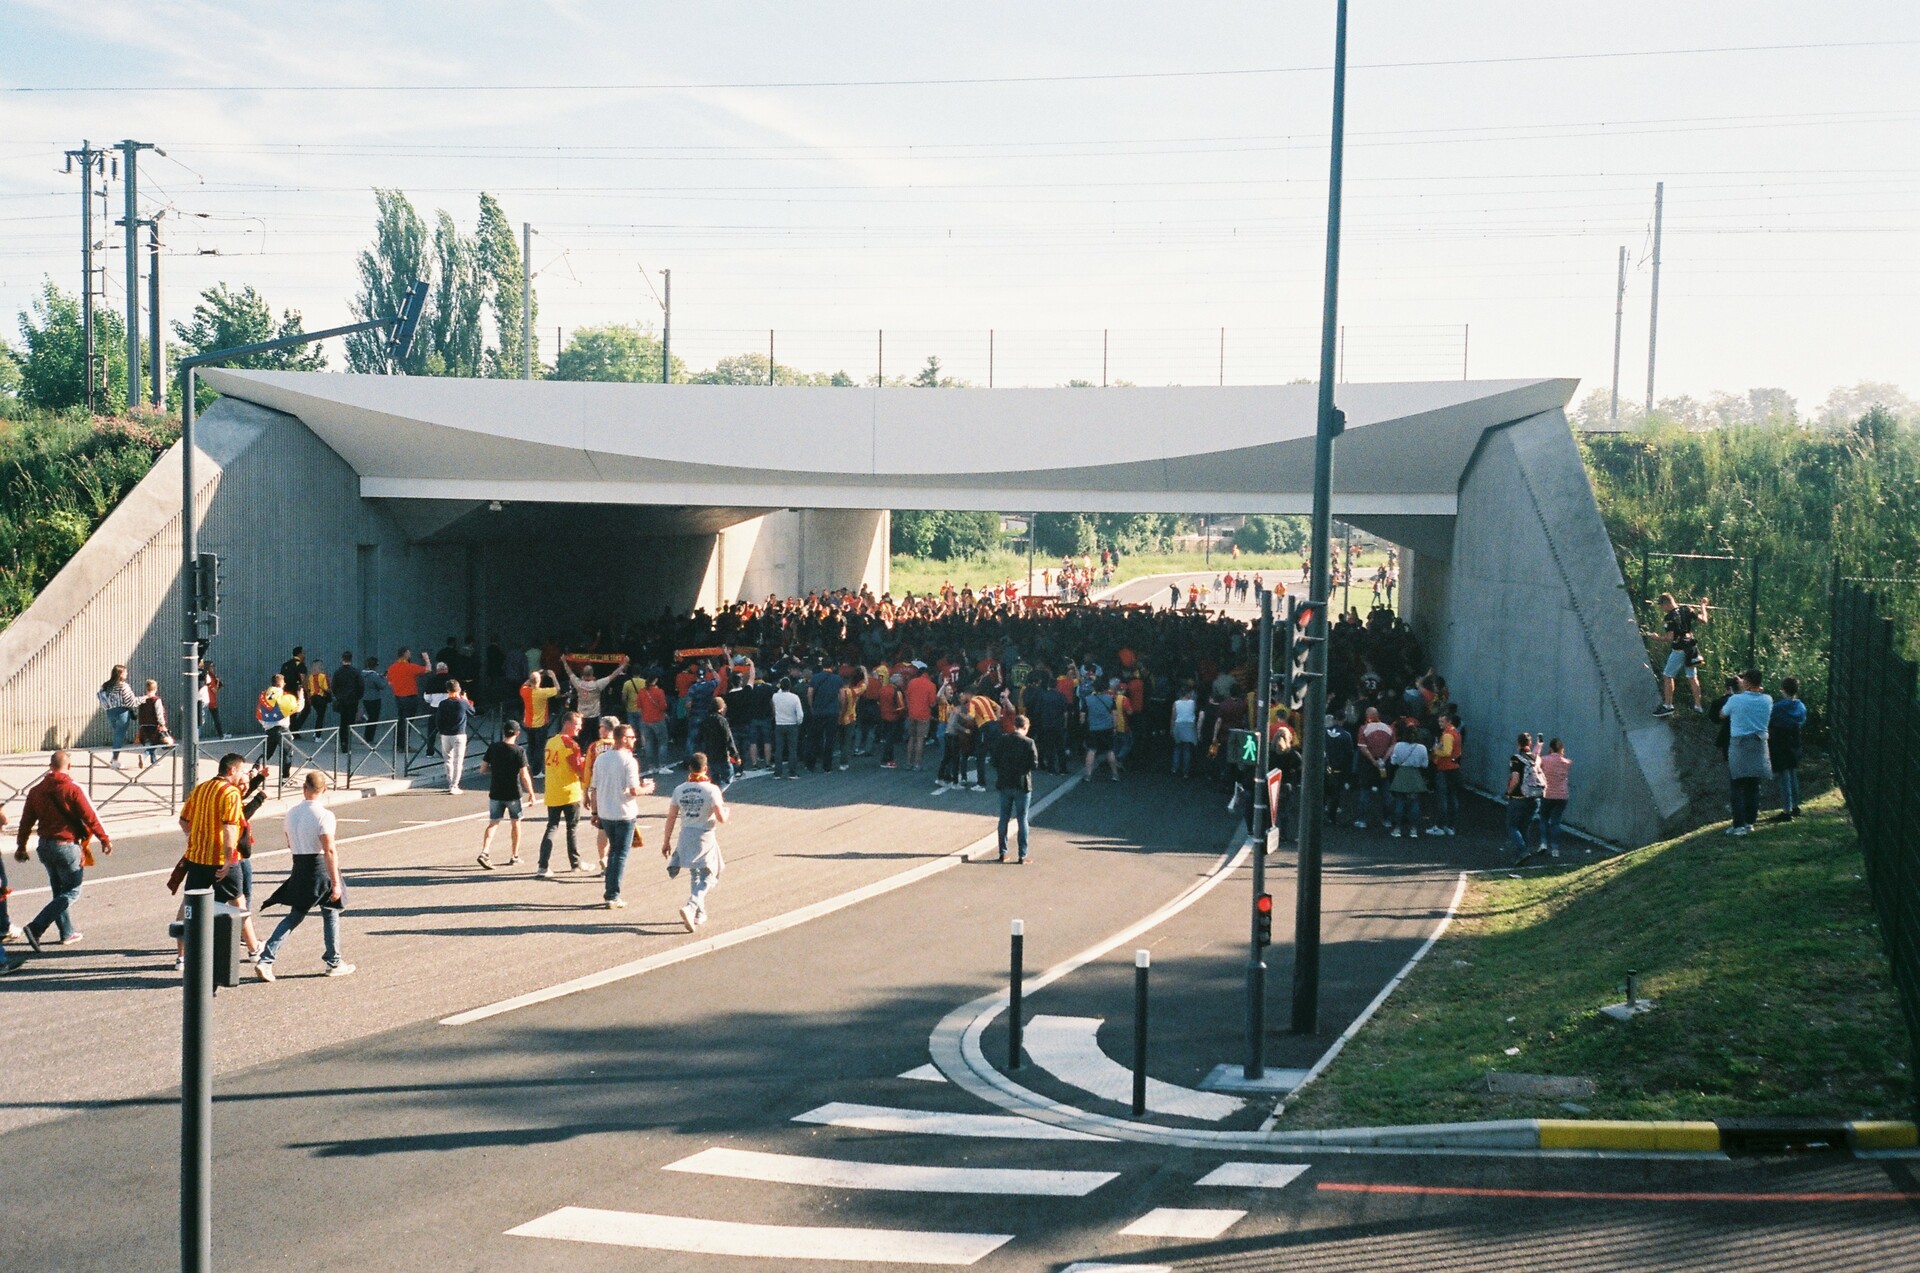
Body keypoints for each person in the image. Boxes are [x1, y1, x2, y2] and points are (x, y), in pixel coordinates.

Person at [255, 771, 352, 980]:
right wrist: (336, 882)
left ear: (304, 788)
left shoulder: (291, 813)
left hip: (299, 866)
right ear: (324, 790)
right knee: (331, 911)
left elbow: (290, 842)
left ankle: (266, 959)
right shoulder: (325, 816)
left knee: (295, 915)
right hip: (319, 867)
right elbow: (329, 850)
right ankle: (334, 962)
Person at [14, 751, 112, 952]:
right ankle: (36, 927)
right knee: (72, 891)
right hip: (66, 846)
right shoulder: (73, 789)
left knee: (59, 891)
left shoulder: (36, 791)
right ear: (69, 766)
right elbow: (91, 816)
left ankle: (67, 933)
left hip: (45, 847)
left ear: (50, 766)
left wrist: (21, 846)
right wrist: (104, 838)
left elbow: (25, 822)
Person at [662, 751, 729, 932]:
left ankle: (699, 913)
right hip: (705, 834)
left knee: (695, 874)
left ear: (690, 768)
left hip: (685, 834)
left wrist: (666, 841)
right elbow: (721, 817)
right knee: (713, 872)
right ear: (705, 768)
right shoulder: (711, 789)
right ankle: (692, 906)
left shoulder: (679, 789)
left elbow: (671, 817)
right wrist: (727, 812)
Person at [593, 724, 650, 909]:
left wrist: (595, 812)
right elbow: (633, 790)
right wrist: (647, 789)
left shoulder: (601, 759)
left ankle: (610, 890)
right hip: (624, 813)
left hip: (606, 812)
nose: (635, 739)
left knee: (614, 853)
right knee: (619, 854)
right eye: (632, 737)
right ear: (623, 738)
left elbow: (594, 788)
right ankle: (612, 894)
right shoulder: (628, 761)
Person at [1721, 669, 1773, 837]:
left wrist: (1733, 694)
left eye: (1743, 680)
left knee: (1737, 784)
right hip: (1759, 743)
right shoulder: (1768, 700)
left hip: (1739, 744)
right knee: (1753, 785)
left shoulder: (1736, 700)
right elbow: (1759, 695)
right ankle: (1750, 822)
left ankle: (1738, 824)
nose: (1741, 682)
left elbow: (1722, 714)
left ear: (1748, 682)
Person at [478, 719, 535, 869]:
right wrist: (531, 793)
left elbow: (482, 769)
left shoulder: (494, 747)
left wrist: (496, 769)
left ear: (504, 732)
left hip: (496, 791)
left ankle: (485, 851)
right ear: (517, 733)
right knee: (516, 823)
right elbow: (524, 775)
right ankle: (514, 855)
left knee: (493, 823)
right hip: (513, 793)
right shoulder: (519, 751)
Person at [537, 712, 589, 876]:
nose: (580, 728)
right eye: (577, 724)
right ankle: (575, 863)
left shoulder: (550, 742)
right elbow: (579, 770)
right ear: (567, 723)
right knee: (571, 829)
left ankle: (542, 865)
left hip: (553, 791)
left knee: (552, 827)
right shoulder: (570, 745)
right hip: (569, 792)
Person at [994, 714, 1040, 863]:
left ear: (1014, 726)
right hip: (1022, 784)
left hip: (1005, 782)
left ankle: (1003, 852)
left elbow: (994, 761)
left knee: (1004, 818)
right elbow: (1034, 764)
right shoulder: (1029, 742)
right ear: (1025, 728)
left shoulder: (1003, 740)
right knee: (1022, 819)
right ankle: (1022, 855)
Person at [1653, 592, 1708, 717]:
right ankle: (1698, 706)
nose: (1662, 610)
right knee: (1692, 677)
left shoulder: (1669, 617)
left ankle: (1668, 705)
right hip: (1691, 648)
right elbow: (1704, 620)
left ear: (1666, 603)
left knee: (1667, 676)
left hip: (1678, 649)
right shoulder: (1687, 609)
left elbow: (1669, 637)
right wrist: (1703, 606)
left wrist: (1656, 638)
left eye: (1662, 606)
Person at [1769, 676, 1807, 823]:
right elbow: (1802, 721)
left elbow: (1770, 720)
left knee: (1784, 775)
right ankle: (1796, 805)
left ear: (1783, 690)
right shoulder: (1801, 706)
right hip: (1795, 742)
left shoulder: (1778, 707)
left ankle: (1787, 809)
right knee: (1792, 773)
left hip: (1780, 742)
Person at [1352, 706, 1394, 828]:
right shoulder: (1388, 728)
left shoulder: (1364, 729)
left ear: (1367, 717)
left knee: (1365, 792)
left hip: (1368, 765)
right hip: (1383, 763)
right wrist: (1384, 760)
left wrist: (1372, 760)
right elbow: (1392, 746)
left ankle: (1362, 820)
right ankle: (1387, 820)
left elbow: (1363, 748)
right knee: (1386, 792)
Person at [1505, 732, 1545, 860]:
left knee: (1513, 827)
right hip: (1534, 798)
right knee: (1524, 827)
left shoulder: (1516, 758)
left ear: (1518, 743)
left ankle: (1522, 851)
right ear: (1530, 743)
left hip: (1518, 797)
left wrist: (1508, 792)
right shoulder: (1536, 759)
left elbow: (1515, 779)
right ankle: (1524, 852)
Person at [256, 674, 303, 781]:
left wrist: (266, 724)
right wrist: (301, 696)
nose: (285, 684)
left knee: (267, 753)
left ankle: (254, 771)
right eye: (284, 682)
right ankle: (285, 778)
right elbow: (298, 708)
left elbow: (259, 713)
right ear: (281, 683)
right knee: (287, 753)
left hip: (269, 729)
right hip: (283, 729)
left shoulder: (264, 695)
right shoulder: (283, 695)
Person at [1386, 724, 1429, 838]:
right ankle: (1413, 830)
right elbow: (1425, 765)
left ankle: (1397, 829)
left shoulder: (1398, 745)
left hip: (1401, 774)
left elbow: (1393, 762)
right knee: (1415, 803)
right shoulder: (1421, 748)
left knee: (1399, 802)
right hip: (1415, 775)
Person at [435, 679, 476, 794]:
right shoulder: (462, 703)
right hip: (459, 734)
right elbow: (472, 711)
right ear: (458, 690)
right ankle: (455, 785)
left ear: (447, 690)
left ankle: (450, 784)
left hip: (445, 735)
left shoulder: (443, 704)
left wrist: (441, 731)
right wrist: (466, 699)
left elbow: (438, 720)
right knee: (458, 761)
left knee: (448, 760)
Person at [96, 665, 139, 766]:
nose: (127, 674)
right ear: (120, 674)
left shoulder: (105, 686)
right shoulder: (123, 686)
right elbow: (131, 702)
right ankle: (115, 759)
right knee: (119, 735)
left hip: (110, 712)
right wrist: (144, 698)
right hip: (122, 712)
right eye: (125, 672)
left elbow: (100, 697)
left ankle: (114, 757)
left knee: (117, 735)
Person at [1429, 710, 1463, 836]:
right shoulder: (1456, 733)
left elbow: (1446, 752)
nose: (1440, 724)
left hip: (1444, 769)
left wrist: (1435, 750)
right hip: (1455, 769)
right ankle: (1450, 826)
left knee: (1442, 798)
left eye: (1442, 721)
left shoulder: (1447, 735)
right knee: (1453, 798)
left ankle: (1439, 826)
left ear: (1448, 721)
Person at [386, 647, 426, 754]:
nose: (410, 654)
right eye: (409, 652)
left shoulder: (392, 667)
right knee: (408, 721)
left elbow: (389, 682)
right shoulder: (410, 667)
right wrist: (426, 659)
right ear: (405, 654)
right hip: (410, 696)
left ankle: (398, 744)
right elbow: (428, 669)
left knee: (401, 720)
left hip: (398, 696)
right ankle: (404, 745)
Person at [521, 669, 559, 780]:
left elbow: (525, 683)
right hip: (541, 724)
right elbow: (557, 689)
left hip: (528, 723)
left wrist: (535, 674)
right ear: (540, 681)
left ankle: (528, 767)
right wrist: (553, 676)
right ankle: (537, 771)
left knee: (531, 746)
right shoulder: (542, 693)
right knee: (539, 748)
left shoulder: (524, 691)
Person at [1081, 678, 1121, 782]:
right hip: (1107, 728)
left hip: (1093, 728)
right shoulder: (1110, 699)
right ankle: (1115, 774)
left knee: (1091, 750)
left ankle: (1088, 775)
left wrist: (1083, 725)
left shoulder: (1087, 699)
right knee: (1110, 751)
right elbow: (1115, 714)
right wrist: (1115, 727)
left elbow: (1082, 716)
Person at [698, 697, 742, 788]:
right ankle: (716, 794)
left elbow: (699, 737)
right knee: (728, 778)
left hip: (709, 754)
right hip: (722, 755)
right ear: (721, 708)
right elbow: (728, 739)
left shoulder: (705, 720)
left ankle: (714, 797)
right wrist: (736, 755)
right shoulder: (722, 721)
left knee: (714, 780)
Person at [1539, 738, 1572, 856]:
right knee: (1556, 822)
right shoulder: (1567, 762)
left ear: (1550, 748)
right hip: (1562, 795)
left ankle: (1543, 843)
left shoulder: (1544, 760)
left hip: (1547, 794)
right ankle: (1555, 849)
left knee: (1543, 818)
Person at [1322, 713, 1355, 825]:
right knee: (1335, 794)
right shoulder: (1346, 735)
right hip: (1338, 769)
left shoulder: (1324, 733)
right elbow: (1349, 754)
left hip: (1324, 766)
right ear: (1343, 720)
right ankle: (1331, 817)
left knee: (1322, 791)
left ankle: (1320, 813)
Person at [904, 665, 938, 771]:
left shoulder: (912, 682)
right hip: (924, 714)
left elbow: (907, 696)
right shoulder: (931, 685)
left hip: (911, 713)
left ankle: (908, 762)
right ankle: (917, 764)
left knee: (911, 738)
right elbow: (932, 704)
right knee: (920, 739)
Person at [771, 676, 805, 780]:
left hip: (779, 723)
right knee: (792, 749)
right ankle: (792, 772)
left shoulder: (775, 696)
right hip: (792, 724)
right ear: (790, 686)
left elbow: (773, 709)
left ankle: (777, 773)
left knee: (779, 749)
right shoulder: (794, 697)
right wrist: (798, 722)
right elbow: (800, 714)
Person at [331, 652, 364, 755]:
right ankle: (348, 742)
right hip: (352, 700)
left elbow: (333, 686)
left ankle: (343, 743)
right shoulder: (355, 672)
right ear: (351, 659)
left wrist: (338, 696)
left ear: (342, 659)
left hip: (342, 700)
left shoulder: (338, 672)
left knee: (343, 721)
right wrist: (357, 697)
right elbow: (361, 686)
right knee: (350, 722)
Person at [134, 677, 172, 765]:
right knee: (155, 742)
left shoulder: (143, 699)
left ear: (146, 688)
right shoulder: (156, 700)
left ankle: (153, 761)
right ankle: (144, 755)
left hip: (144, 725)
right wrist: (162, 724)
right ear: (155, 689)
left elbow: (140, 712)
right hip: (154, 725)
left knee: (152, 741)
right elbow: (159, 713)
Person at [358, 657, 389, 747]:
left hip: (365, 698)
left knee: (369, 718)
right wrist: (384, 678)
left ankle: (366, 737)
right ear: (375, 665)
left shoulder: (362, 674)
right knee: (374, 719)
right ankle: (369, 738)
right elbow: (382, 686)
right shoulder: (374, 675)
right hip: (375, 699)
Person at [1170, 687, 1199, 778]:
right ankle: (1186, 772)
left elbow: (1173, 717)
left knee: (1177, 747)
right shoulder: (1192, 703)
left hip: (1178, 725)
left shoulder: (1176, 703)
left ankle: (1175, 768)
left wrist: (1171, 728)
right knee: (1187, 749)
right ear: (1186, 694)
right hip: (1189, 726)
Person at [197, 661, 225, 739]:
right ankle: (220, 735)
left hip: (207, 700)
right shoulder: (208, 676)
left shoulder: (209, 675)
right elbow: (214, 690)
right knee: (202, 720)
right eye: (211, 667)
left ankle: (220, 735)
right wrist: (218, 682)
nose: (213, 668)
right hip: (208, 700)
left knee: (204, 719)